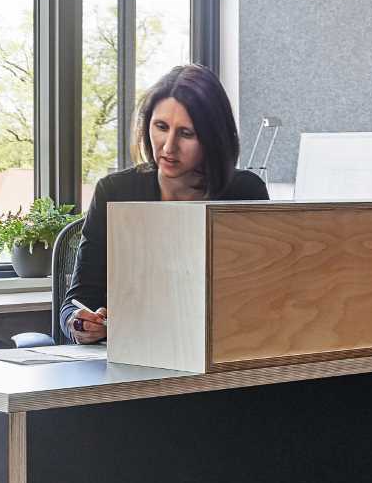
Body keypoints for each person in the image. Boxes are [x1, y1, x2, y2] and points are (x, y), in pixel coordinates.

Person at [63, 64, 268, 342]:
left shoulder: (245, 192)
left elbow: (261, 298)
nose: (169, 146)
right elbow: (75, 303)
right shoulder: (115, 191)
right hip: (133, 356)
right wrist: (80, 324)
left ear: (213, 138)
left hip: (218, 352)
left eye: (186, 133)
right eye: (161, 127)